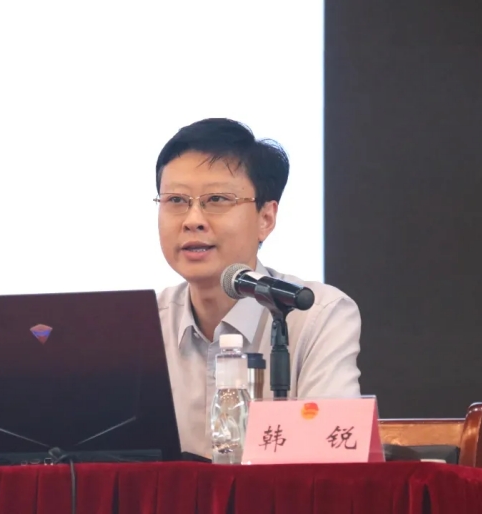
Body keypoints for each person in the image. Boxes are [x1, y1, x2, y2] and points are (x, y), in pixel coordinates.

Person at [155, 118, 361, 459]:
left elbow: (333, 458)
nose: (192, 220)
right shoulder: (144, 324)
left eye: (217, 199)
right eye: (176, 200)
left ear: (266, 218)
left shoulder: (315, 314)